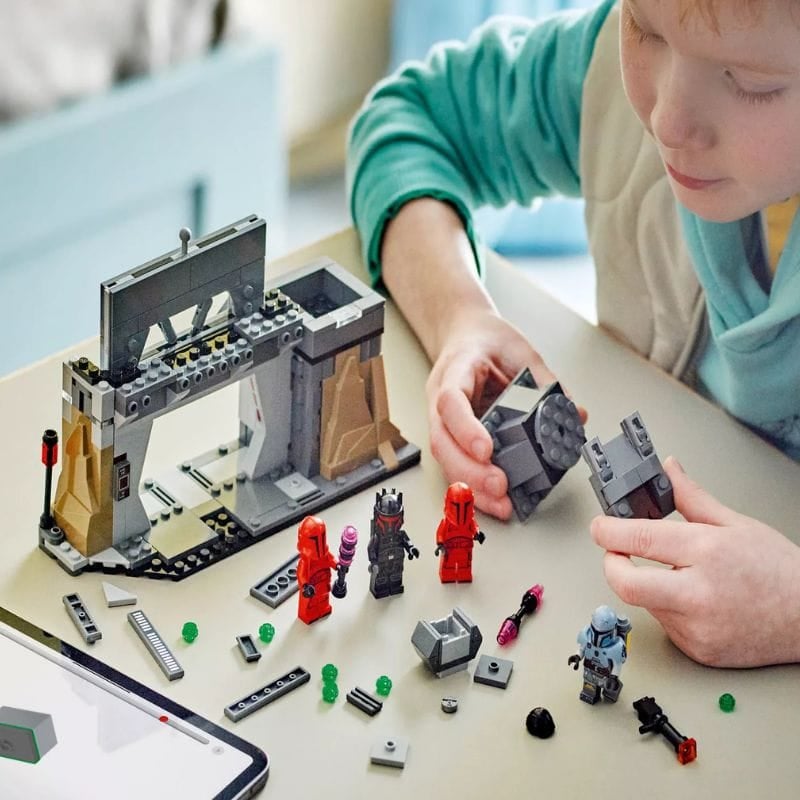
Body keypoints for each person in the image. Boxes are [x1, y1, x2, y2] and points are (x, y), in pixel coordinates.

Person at [346, 0, 800, 668]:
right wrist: (459, 316)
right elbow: (407, 121)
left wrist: (790, 610)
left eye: (752, 81)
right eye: (644, 29)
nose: (667, 122)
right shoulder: (610, 79)